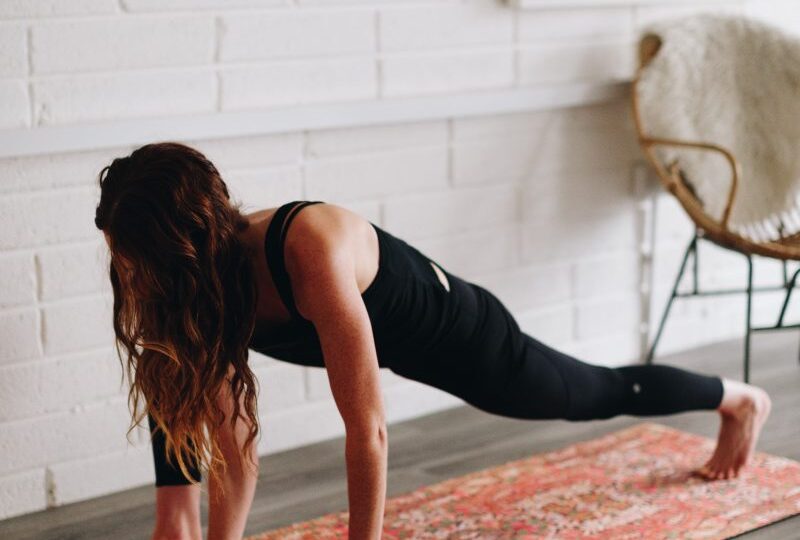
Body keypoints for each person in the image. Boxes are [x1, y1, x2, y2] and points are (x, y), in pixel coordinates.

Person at [94, 142, 772, 540]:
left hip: (458, 332)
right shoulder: (192, 300)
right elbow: (231, 450)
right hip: (390, 343)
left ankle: (738, 399)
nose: (127, 276)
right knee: (170, 360)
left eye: (133, 260)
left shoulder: (307, 247)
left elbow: (368, 430)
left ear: (181, 247)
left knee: (588, 393)